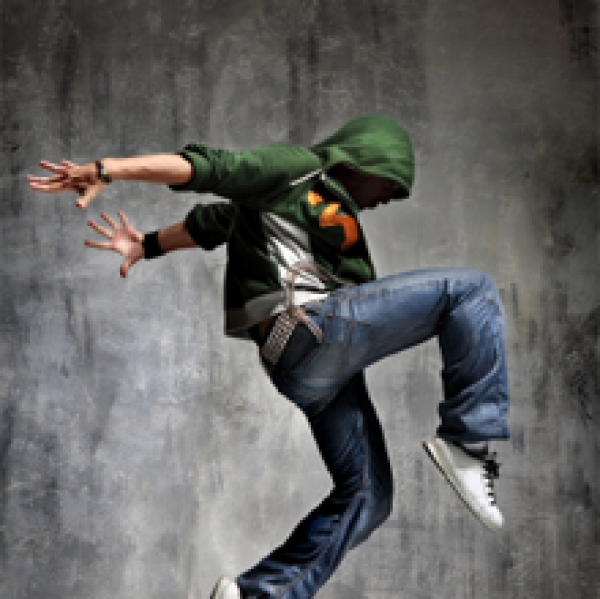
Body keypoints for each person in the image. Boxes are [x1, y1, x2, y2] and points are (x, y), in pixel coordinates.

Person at [28, 114, 510, 599]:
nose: (390, 197)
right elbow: (210, 168)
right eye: (391, 183)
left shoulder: (287, 209)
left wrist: (148, 245)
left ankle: (258, 595)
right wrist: (109, 169)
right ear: (364, 158)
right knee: (471, 290)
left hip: (307, 370)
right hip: (307, 330)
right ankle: (470, 444)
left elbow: (216, 222)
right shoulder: (296, 170)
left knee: (369, 495)